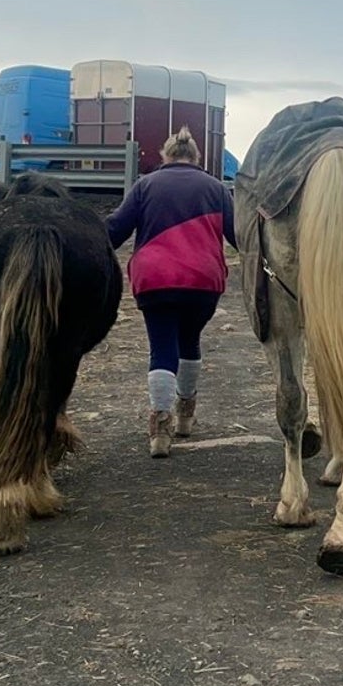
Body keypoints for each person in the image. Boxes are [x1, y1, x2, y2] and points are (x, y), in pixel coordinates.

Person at [106, 128, 237, 457]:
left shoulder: (145, 186)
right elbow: (240, 237)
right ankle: (185, 417)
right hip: (203, 282)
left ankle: (160, 430)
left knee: (162, 348)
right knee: (189, 341)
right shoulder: (217, 189)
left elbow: (115, 231)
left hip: (156, 279)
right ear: (197, 157)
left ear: (165, 156)